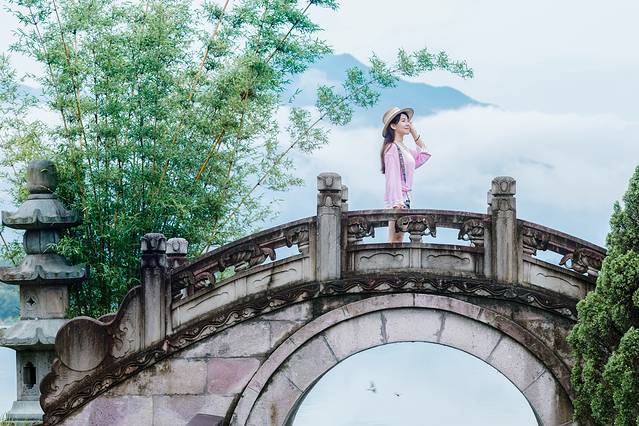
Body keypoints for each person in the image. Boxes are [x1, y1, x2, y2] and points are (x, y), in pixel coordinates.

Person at [380, 106, 431, 243]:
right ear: (393, 125)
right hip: (397, 200)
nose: (408, 124)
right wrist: (397, 203)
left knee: (398, 239)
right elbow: (392, 177)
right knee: (395, 240)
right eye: (403, 121)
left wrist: (414, 132)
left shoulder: (404, 149)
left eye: (408, 121)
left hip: (405, 199)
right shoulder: (392, 148)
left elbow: (424, 154)